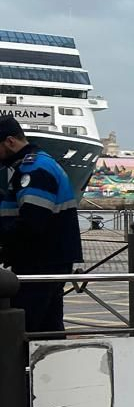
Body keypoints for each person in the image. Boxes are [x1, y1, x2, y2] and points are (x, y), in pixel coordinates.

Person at [0, 116, 82, 333]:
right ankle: (51, 365)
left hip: (39, 262)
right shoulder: (37, 163)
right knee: (49, 328)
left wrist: (4, 242)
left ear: (9, 142)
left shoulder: (33, 170)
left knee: (22, 329)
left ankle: (21, 367)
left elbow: (32, 222)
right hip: (49, 259)